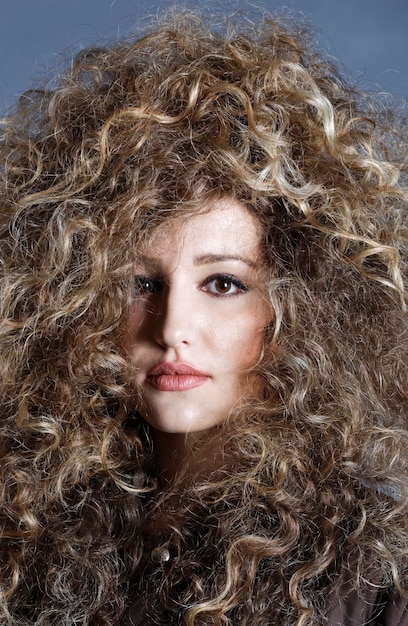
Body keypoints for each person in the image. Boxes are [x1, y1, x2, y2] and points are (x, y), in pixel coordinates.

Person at [0, 8, 407, 625]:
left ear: (301, 309)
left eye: (223, 283)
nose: (170, 329)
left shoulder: (365, 575)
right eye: (141, 284)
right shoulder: (34, 534)